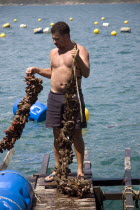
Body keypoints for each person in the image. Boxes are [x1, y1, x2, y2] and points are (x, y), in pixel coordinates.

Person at [26, 21, 90, 181]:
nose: (54, 42)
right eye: (53, 39)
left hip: (72, 97)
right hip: (54, 97)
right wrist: (37, 70)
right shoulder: (53, 53)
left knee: (76, 134)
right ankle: (58, 169)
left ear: (66, 36)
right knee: (57, 135)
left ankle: (80, 170)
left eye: (57, 39)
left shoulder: (80, 50)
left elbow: (87, 73)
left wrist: (78, 60)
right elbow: (54, 72)